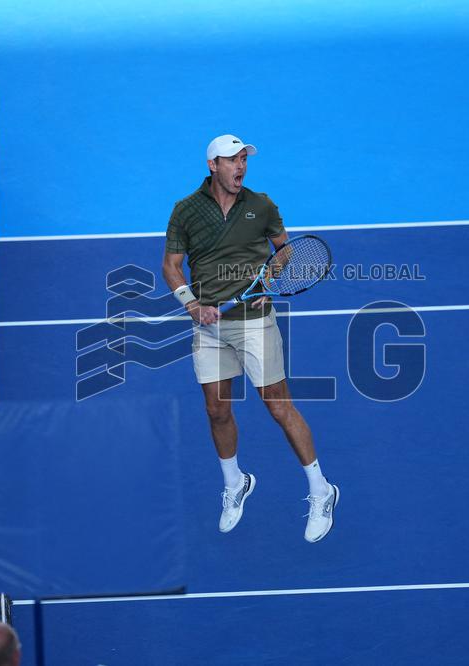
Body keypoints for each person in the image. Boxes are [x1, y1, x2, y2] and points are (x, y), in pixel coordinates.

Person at [161, 134, 339, 543]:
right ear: (213, 166)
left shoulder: (261, 206)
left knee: (278, 407)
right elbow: (171, 266)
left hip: (255, 323)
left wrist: (268, 281)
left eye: (244, 159)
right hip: (208, 325)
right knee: (216, 411)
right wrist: (192, 306)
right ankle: (235, 483)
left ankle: (320, 490)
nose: (240, 167)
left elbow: (285, 249)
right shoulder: (185, 211)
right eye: (232, 160)